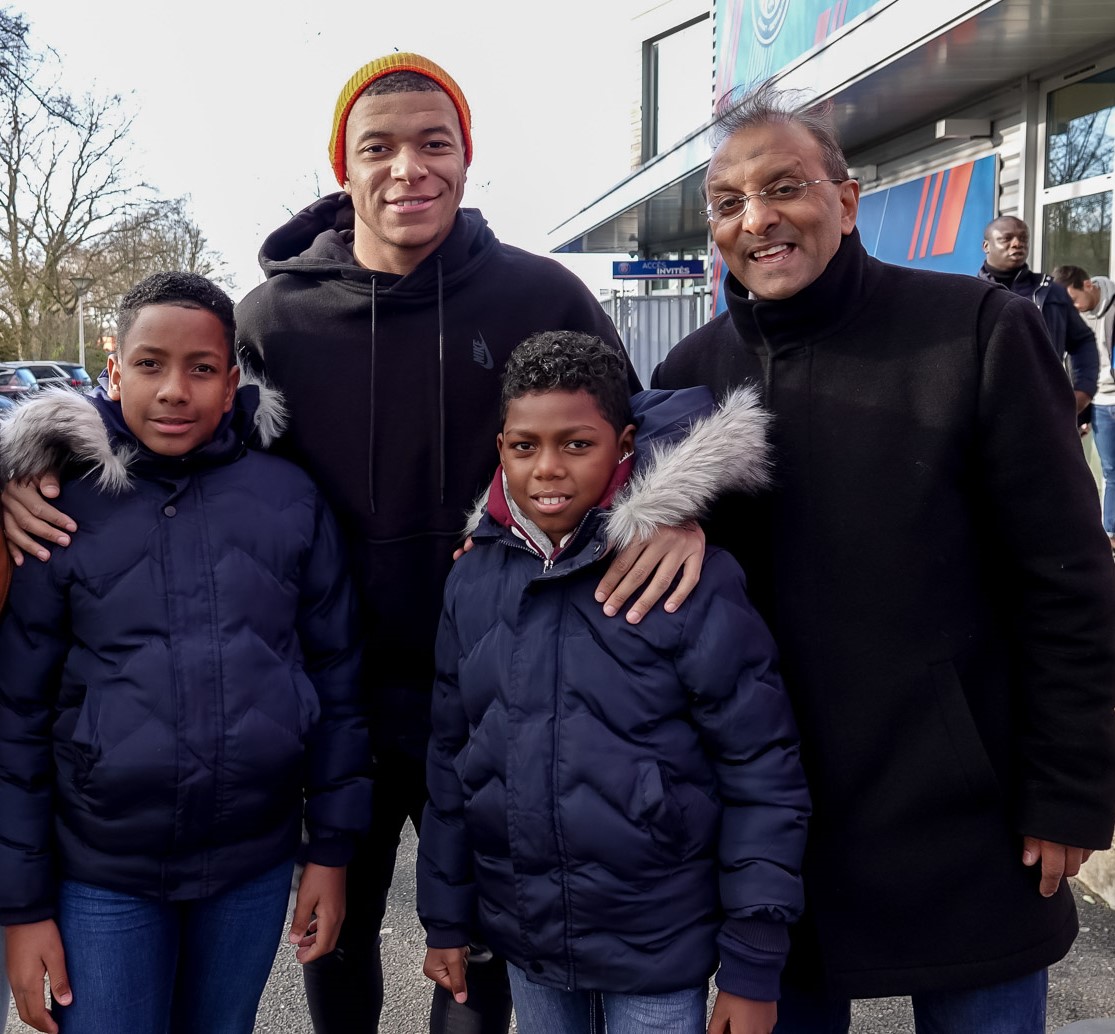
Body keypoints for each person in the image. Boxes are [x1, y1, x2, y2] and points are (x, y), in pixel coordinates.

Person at [0, 52, 706, 1034]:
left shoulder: (537, 296)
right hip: (329, 694)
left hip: (507, 686)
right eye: (378, 147)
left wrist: (676, 496)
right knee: (335, 935)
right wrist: (29, 453)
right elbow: (170, 425)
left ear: (465, 159)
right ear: (344, 164)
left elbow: (638, 423)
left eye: (433, 143)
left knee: (477, 949)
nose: (407, 168)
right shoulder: (272, 317)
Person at [651, 78, 1115, 1032]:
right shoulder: (687, 378)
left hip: (966, 819)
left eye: (784, 187)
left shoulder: (977, 332)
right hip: (781, 843)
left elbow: (1066, 579)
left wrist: (1069, 789)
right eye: (729, 204)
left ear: (846, 198)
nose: (758, 220)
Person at [0, 273, 371, 1034]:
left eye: (201, 368)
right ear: (112, 370)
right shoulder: (54, 508)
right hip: (102, 872)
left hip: (250, 863)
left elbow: (337, 684)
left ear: (232, 378)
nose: (175, 390)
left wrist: (328, 853)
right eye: (149, 365)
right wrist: (24, 907)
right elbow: (17, 717)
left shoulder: (289, 500)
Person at [417, 330, 810, 1034]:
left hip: (658, 949)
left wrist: (752, 962)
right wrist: (445, 917)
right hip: (530, 945)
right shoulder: (472, 579)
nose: (546, 470)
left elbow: (762, 771)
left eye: (576, 445)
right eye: (523, 446)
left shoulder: (688, 578)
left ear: (624, 445)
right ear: (500, 447)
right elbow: (452, 764)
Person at [978, 215, 1099, 419]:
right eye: (1006, 238)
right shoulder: (971, 294)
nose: (1017, 243)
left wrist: (1084, 391)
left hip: (1044, 411)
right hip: (986, 415)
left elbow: (1082, 341)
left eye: (1023, 238)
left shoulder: (1052, 292)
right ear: (986, 246)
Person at [1053, 263, 1115, 551]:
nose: (1073, 308)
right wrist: (1083, 411)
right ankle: (1110, 534)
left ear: (1088, 286)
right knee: (1110, 470)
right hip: (1101, 402)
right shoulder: (1074, 317)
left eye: (1074, 299)